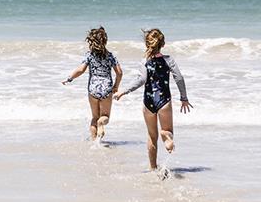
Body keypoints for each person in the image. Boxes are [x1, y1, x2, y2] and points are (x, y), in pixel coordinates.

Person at [114, 28, 193, 170]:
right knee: (167, 131)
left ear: (147, 44)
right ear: (162, 43)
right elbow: (179, 78)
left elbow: (141, 80)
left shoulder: (144, 61)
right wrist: (184, 98)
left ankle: (153, 168)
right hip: (164, 101)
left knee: (151, 136)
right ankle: (167, 137)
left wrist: (123, 91)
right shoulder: (168, 60)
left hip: (148, 102)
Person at [62, 26, 123, 140]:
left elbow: (80, 70)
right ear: (105, 40)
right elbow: (119, 72)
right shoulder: (110, 56)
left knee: (94, 118)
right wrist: (116, 86)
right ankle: (101, 124)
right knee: (105, 117)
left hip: (93, 89)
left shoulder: (89, 55)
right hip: (106, 89)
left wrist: (69, 78)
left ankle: (94, 142)